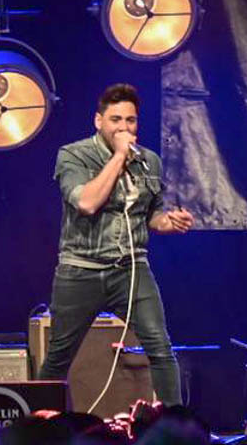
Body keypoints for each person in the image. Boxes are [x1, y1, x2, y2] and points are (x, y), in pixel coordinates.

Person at [38, 83, 194, 403]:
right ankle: (42, 424)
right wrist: (120, 156)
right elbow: (87, 203)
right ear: (99, 121)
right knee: (58, 357)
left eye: (130, 120)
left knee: (160, 348)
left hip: (131, 270)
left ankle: (175, 422)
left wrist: (168, 222)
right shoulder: (74, 155)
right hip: (81, 270)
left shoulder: (149, 160)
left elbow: (149, 215)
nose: (124, 127)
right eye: (116, 120)